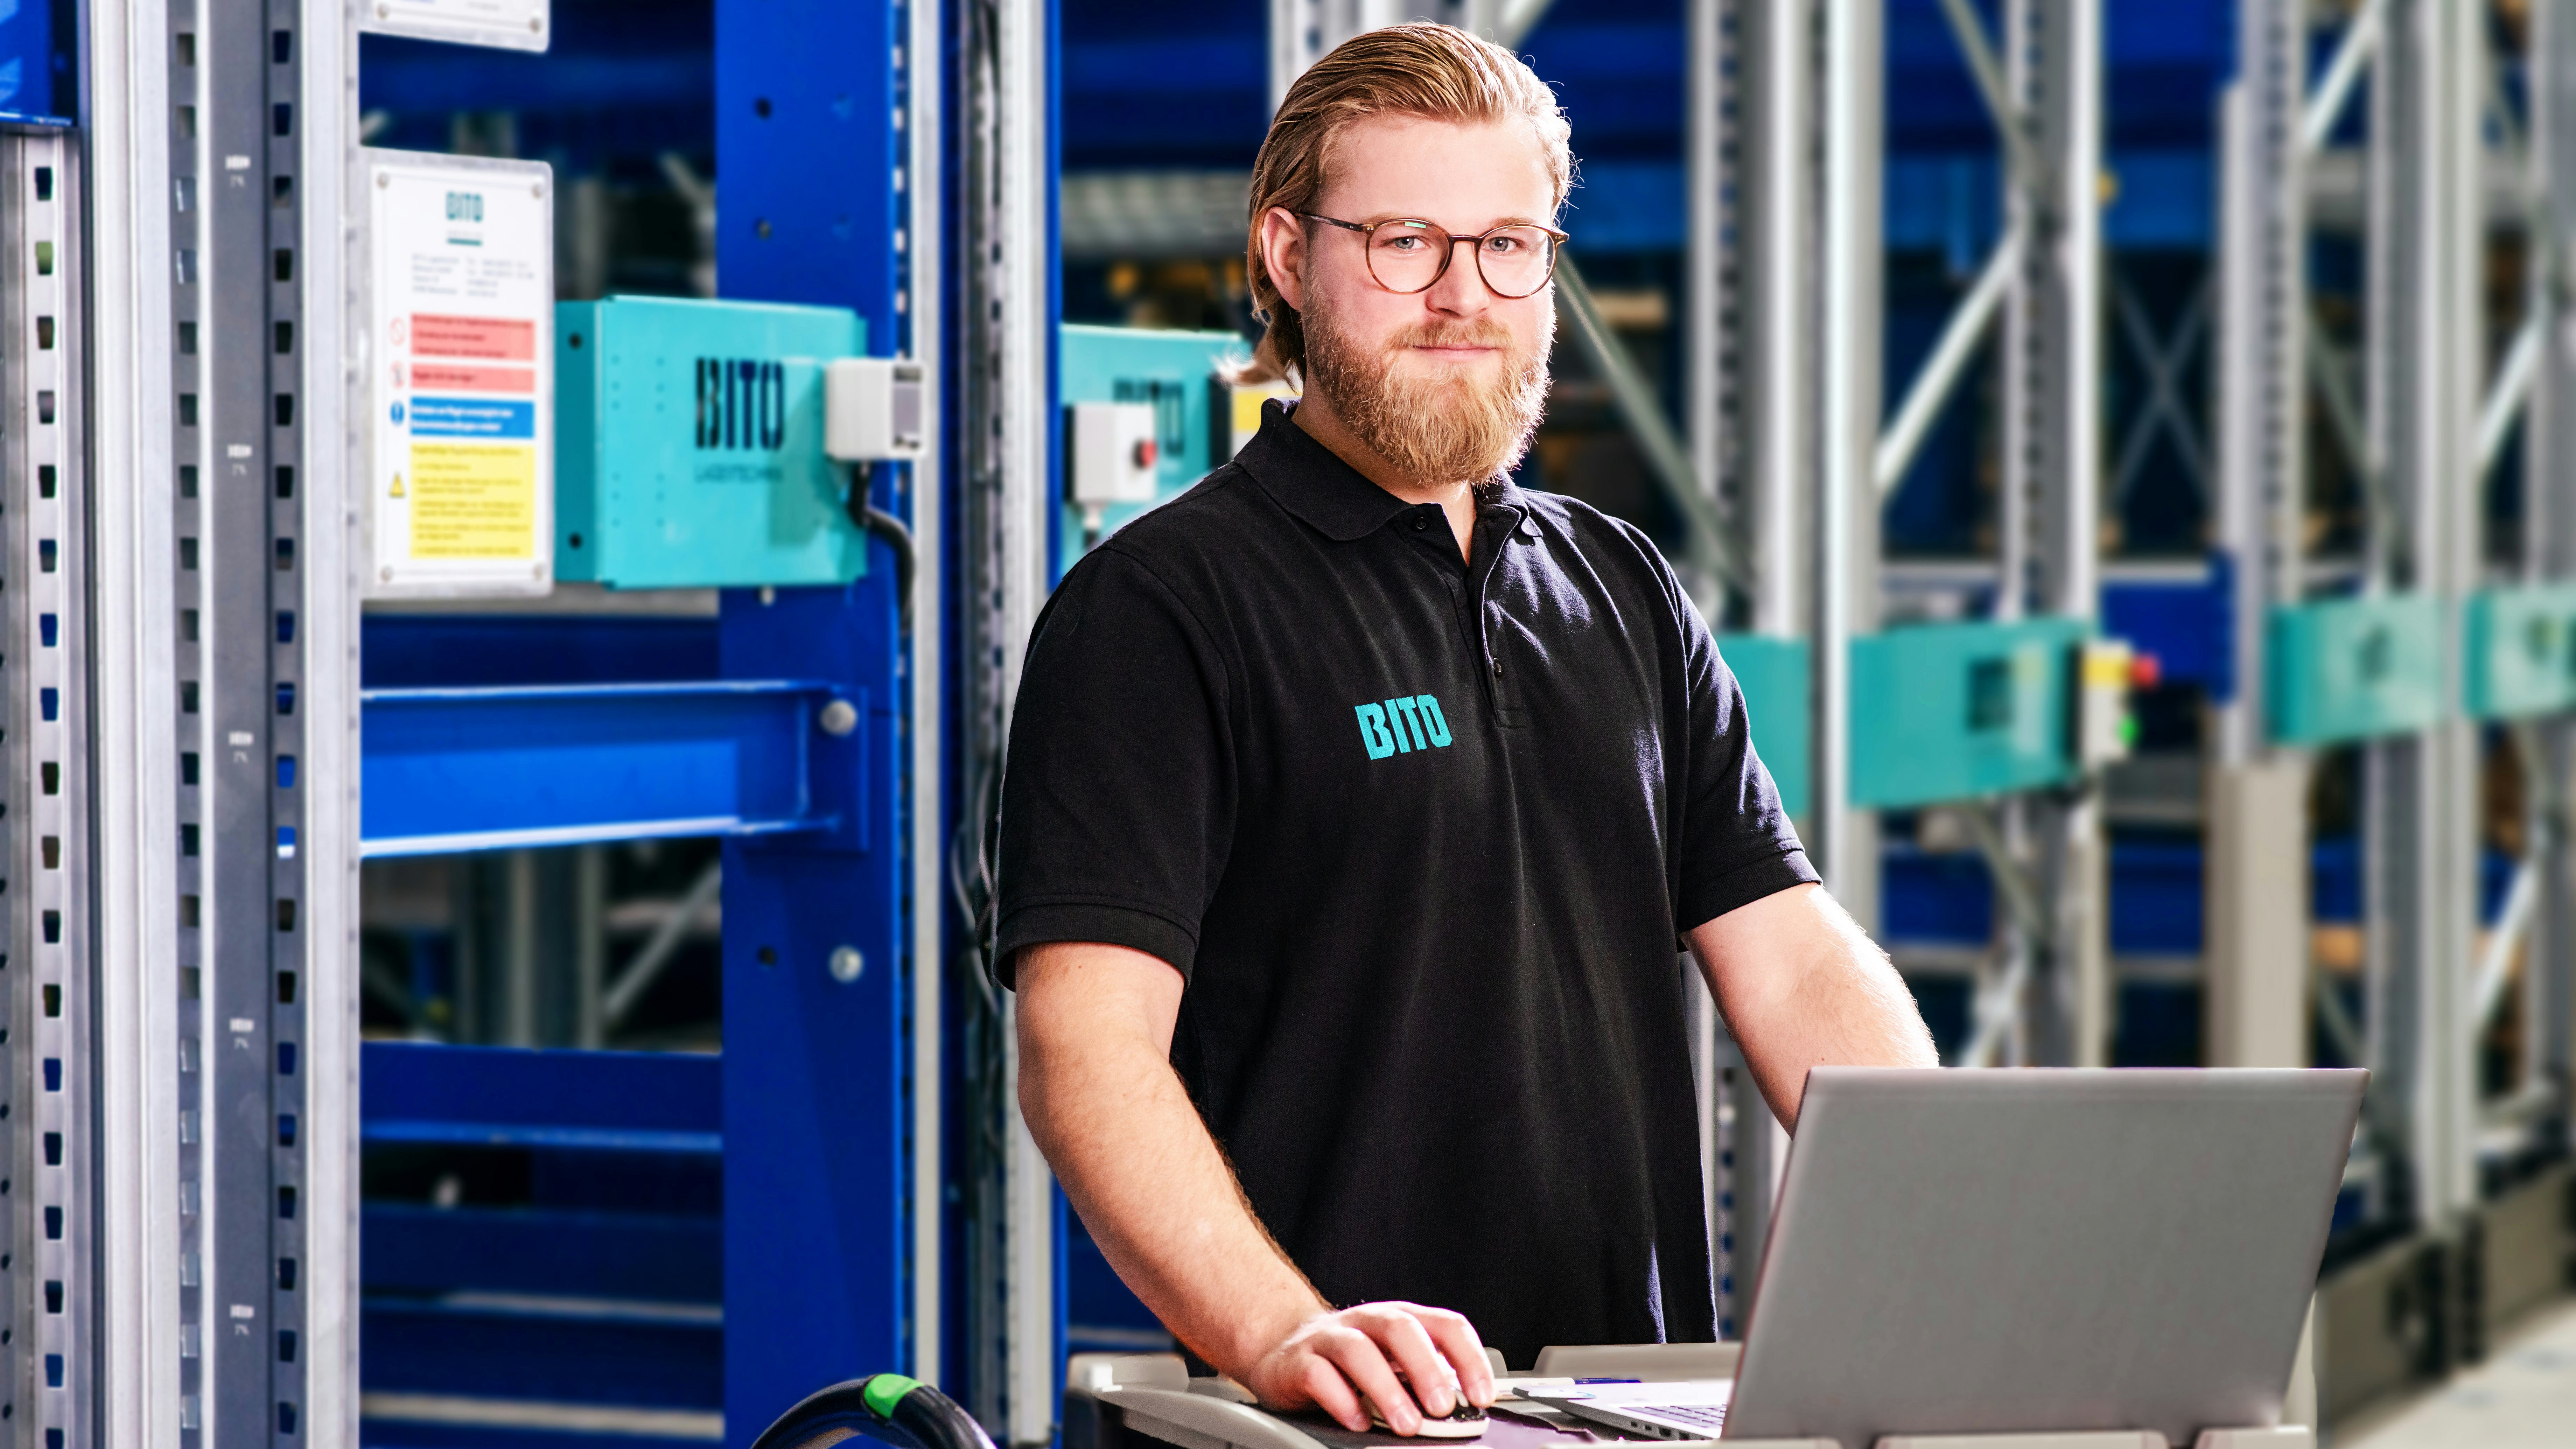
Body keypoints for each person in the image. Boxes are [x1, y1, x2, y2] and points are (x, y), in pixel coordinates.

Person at [995, 21, 1938, 1440]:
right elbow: (1086, 1052)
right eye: (1403, 245)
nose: (1462, 296)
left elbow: (1791, 953)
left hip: (1625, 1406)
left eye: (1508, 246)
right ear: (1285, 257)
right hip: (1341, 1423)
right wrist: (1281, 1330)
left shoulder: (1617, 582)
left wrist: (1947, 1193)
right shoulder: (1159, 610)